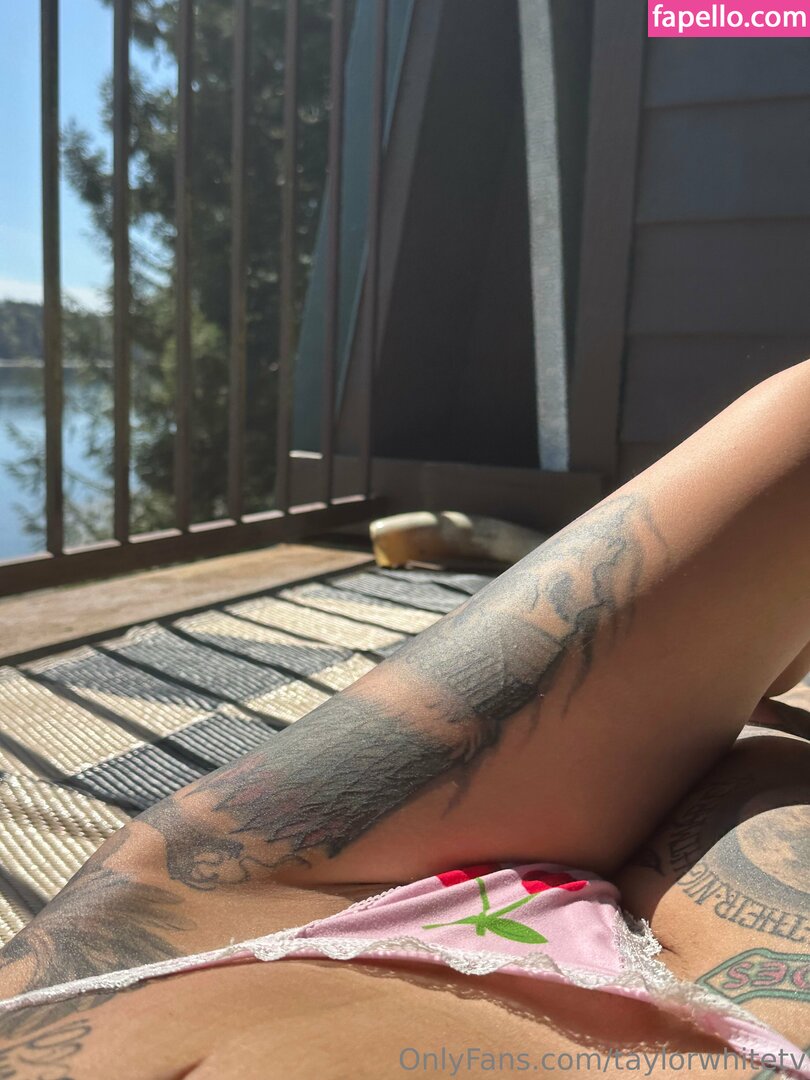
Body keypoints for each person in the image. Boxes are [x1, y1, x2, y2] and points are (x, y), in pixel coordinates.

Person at [0, 361, 808, 1079]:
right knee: (765, 756)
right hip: (726, 1042)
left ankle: (745, 667)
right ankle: (743, 675)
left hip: (207, 931)